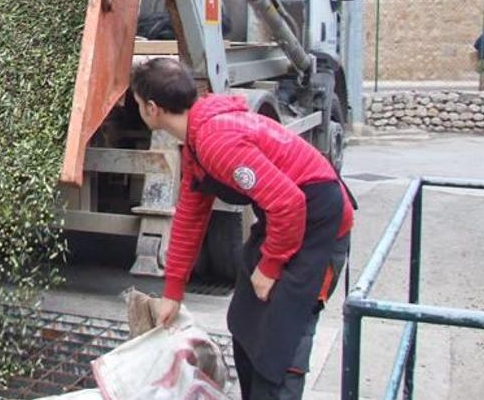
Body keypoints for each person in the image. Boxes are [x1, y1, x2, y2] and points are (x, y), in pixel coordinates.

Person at [133, 58, 353, 400]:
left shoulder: (215, 140)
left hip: (318, 223)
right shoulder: (195, 141)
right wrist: (172, 294)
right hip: (283, 221)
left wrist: (270, 265)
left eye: (136, 103)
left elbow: (289, 203)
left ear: (151, 108)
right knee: (246, 322)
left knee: (281, 344)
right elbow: (190, 217)